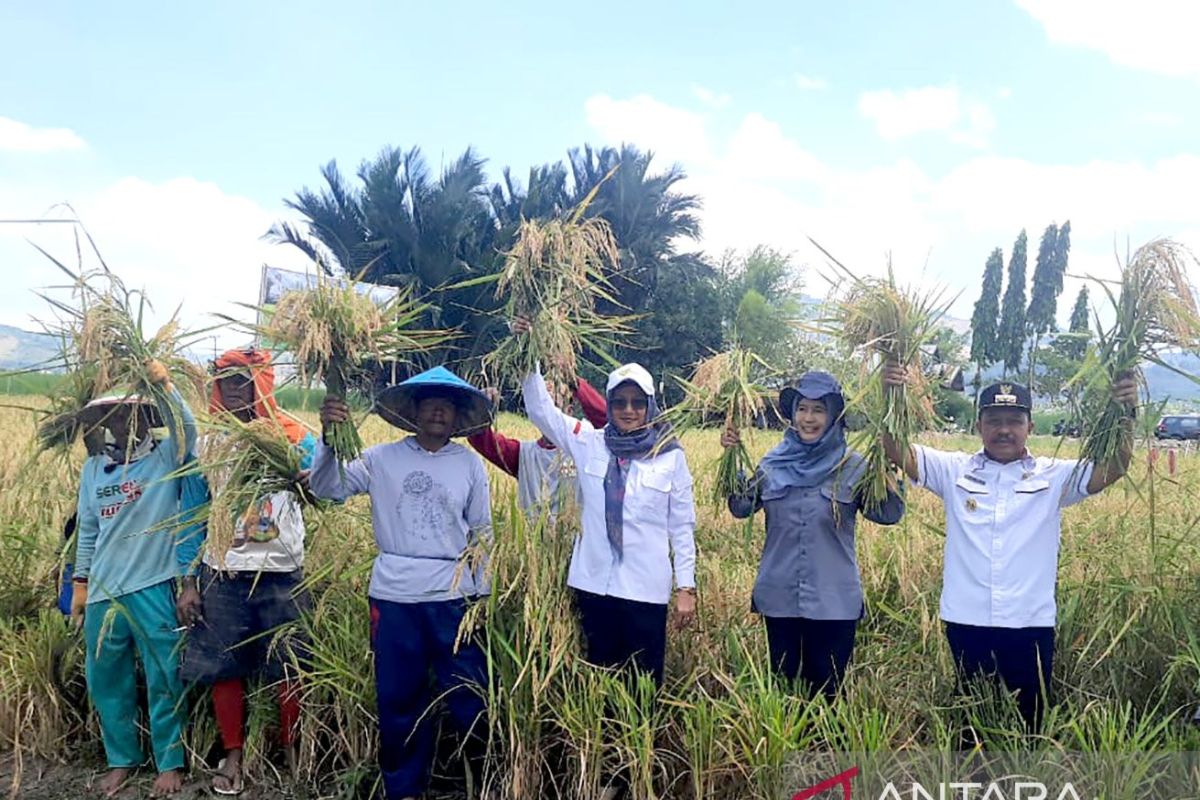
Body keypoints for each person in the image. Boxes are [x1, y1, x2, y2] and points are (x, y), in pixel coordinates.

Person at [880, 371, 1138, 729]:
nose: (1004, 430)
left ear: (1030, 425)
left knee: (1028, 725)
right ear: (978, 425)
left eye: (1014, 421)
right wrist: (890, 386)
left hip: (1029, 622)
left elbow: (1115, 466)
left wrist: (1127, 411)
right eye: (994, 421)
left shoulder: (1055, 476)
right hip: (967, 620)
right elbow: (895, 447)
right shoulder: (953, 470)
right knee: (972, 722)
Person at [309, 366, 494, 800]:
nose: (437, 411)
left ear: (458, 414)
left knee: (469, 695)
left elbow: (482, 533)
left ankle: (480, 782)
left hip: (454, 597)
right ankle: (404, 789)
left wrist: (482, 594)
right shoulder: (379, 459)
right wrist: (329, 437)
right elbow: (327, 488)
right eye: (429, 402)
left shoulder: (468, 464)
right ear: (412, 409)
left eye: (447, 404)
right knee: (399, 699)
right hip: (395, 596)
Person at [175, 349, 318, 796]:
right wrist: (187, 579)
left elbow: (328, 496)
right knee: (224, 666)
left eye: (245, 380)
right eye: (228, 381)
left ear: (264, 383)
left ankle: (292, 746)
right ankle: (232, 752)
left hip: (282, 572)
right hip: (225, 573)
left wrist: (308, 477)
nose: (237, 390)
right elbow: (191, 515)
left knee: (291, 665)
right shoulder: (210, 443)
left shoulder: (295, 436)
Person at [722, 371, 904, 699]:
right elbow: (740, 507)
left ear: (834, 416)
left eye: (818, 410)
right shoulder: (772, 464)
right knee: (784, 694)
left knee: (827, 697)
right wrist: (730, 459)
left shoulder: (855, 466)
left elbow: (889, 514)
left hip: (834, 605)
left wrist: (888, 464)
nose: (808, 418)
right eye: (802, 408)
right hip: (778, 599)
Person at [520, 355, 698, 688]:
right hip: (594, 584)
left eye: (636, 403)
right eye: (619, 402)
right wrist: (529, 354)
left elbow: (682, 526)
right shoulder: (589, 442)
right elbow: (541, 411)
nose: (628, 410)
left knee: (643, 685)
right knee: (597, 681)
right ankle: (600, 740)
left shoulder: (670, 455)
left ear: (650, 405)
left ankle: (639, 739)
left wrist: (685, 587)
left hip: (645, 590)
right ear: (610, 405)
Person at [71, 361, 196, 797]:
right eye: (113, 415)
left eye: (129, 413)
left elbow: (187, 428)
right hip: (105, 590)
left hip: (152, 585)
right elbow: (88, 530)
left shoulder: (165, 456)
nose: (121, 421)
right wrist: (80, 586)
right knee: (106, 677)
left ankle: (170, 762)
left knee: (164, 676)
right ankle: (122, 759)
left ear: (145, 417)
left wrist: (165, 385)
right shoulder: (94, 470)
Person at [467, 377, 607, 514]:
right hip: (534, 537)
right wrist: (478, 410)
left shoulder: (584, 445)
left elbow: (610, 425)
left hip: (581, 536)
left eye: (553, 408)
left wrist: (575, 383)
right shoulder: (523, 456)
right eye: (541, 408)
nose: (546, 416)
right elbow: (480, 438)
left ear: (569, 411)